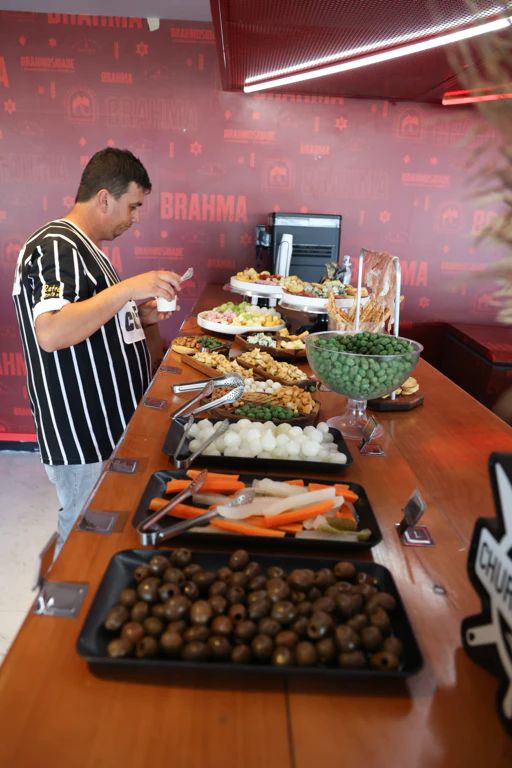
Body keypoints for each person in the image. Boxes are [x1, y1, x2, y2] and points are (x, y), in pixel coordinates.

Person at [12, 148, 181, 554]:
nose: (136, 218)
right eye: (133, 206)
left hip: (111, 429)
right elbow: (51, 331)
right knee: (83, 542)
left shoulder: (88, 250)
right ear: (104, 198)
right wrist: (129, 289)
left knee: (106, 537)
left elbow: (96, 324)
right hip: (84, 434)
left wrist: (142, 319)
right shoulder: (56, 245)